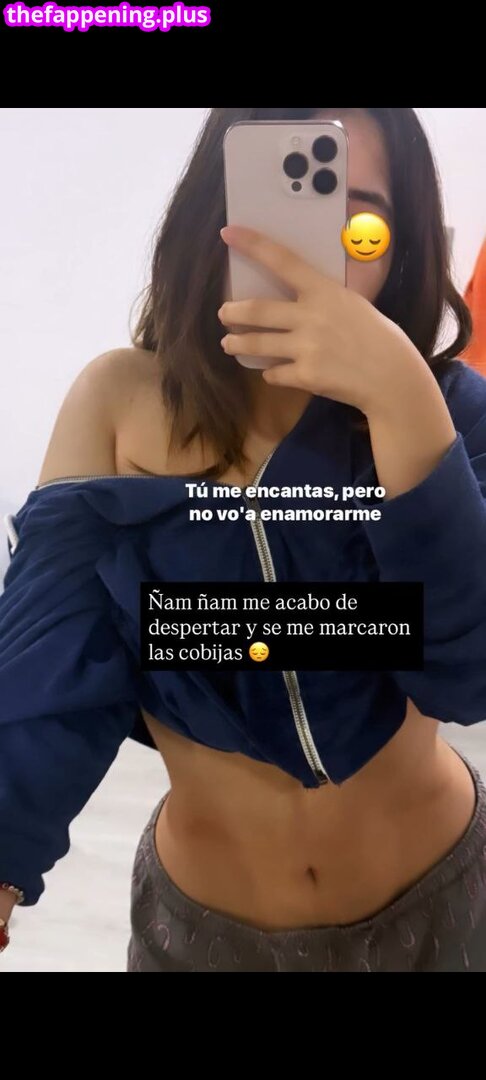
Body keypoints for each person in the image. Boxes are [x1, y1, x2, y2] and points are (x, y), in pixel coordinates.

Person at [2, 107, 486, 973]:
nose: (323, 251)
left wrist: (402, 401)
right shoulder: (117, 402)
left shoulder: (444, 408)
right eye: (289, 203)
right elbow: (52, 672)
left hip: (447, 902)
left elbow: (468, 671)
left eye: (365, 223)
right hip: (204, 934)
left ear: (404, 247)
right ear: (213, 215)